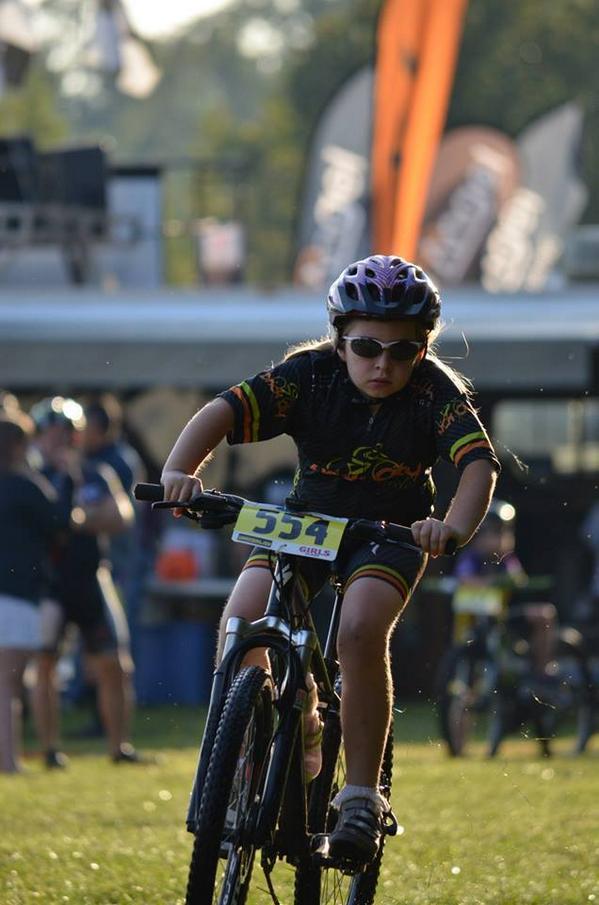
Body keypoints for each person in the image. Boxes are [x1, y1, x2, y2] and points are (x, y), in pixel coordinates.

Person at [160, 254, 500, 864]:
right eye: (367, 347)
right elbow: (220, 413)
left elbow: (478, 465)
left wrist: (451, 526)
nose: (383, 364)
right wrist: (179, 473)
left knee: (361, 628)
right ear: (340, 339)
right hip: (304, 524)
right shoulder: (306, 376)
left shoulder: (433, 394)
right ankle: (256, 750)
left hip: (388, 533)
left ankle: (362, 797)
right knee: (242, 618)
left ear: (423, 351)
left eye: (403, 352)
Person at [29, 396, 144, 766]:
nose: (59, 441)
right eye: (51, 434)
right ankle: (49, 750)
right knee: (44, 664)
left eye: (66, 433)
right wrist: (80, 518)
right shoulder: (31, 478)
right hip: (48, 583)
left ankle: (119, 747)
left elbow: (120, 516)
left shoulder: (96, 473)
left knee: (115, 665)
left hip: (92, 577)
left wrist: (74, 520)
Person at [0, 408, 64, 772]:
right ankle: (8, 762)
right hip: (15, 594)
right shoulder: (25, 486)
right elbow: (59, 521)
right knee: (8, 686)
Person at [452, 500, 556, 674]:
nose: (498, 539)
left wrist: (509, 579)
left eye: (502, 533)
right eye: (490, 533)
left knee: (546, 615)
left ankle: (542, 669)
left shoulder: (507, 560)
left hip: (505, 616)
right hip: (478, 620)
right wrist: (489, 583)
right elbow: (464, 578)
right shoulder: (471, 557)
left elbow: (517, 580)